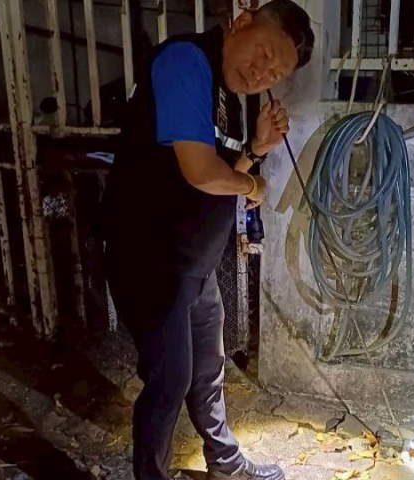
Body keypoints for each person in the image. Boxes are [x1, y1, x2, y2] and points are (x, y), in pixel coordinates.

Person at [102, 2, 314, 479]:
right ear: (241, 22)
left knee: (207, 371)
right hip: (152, 260)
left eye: (275, 73)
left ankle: (225, 462)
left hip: (195, 263)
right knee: (169, 381)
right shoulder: (185, 62)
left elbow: (220, 173)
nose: (261, 73)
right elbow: (201, 172)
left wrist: (255, 149)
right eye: (264, 54)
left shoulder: (228, 97)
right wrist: (254, 185)